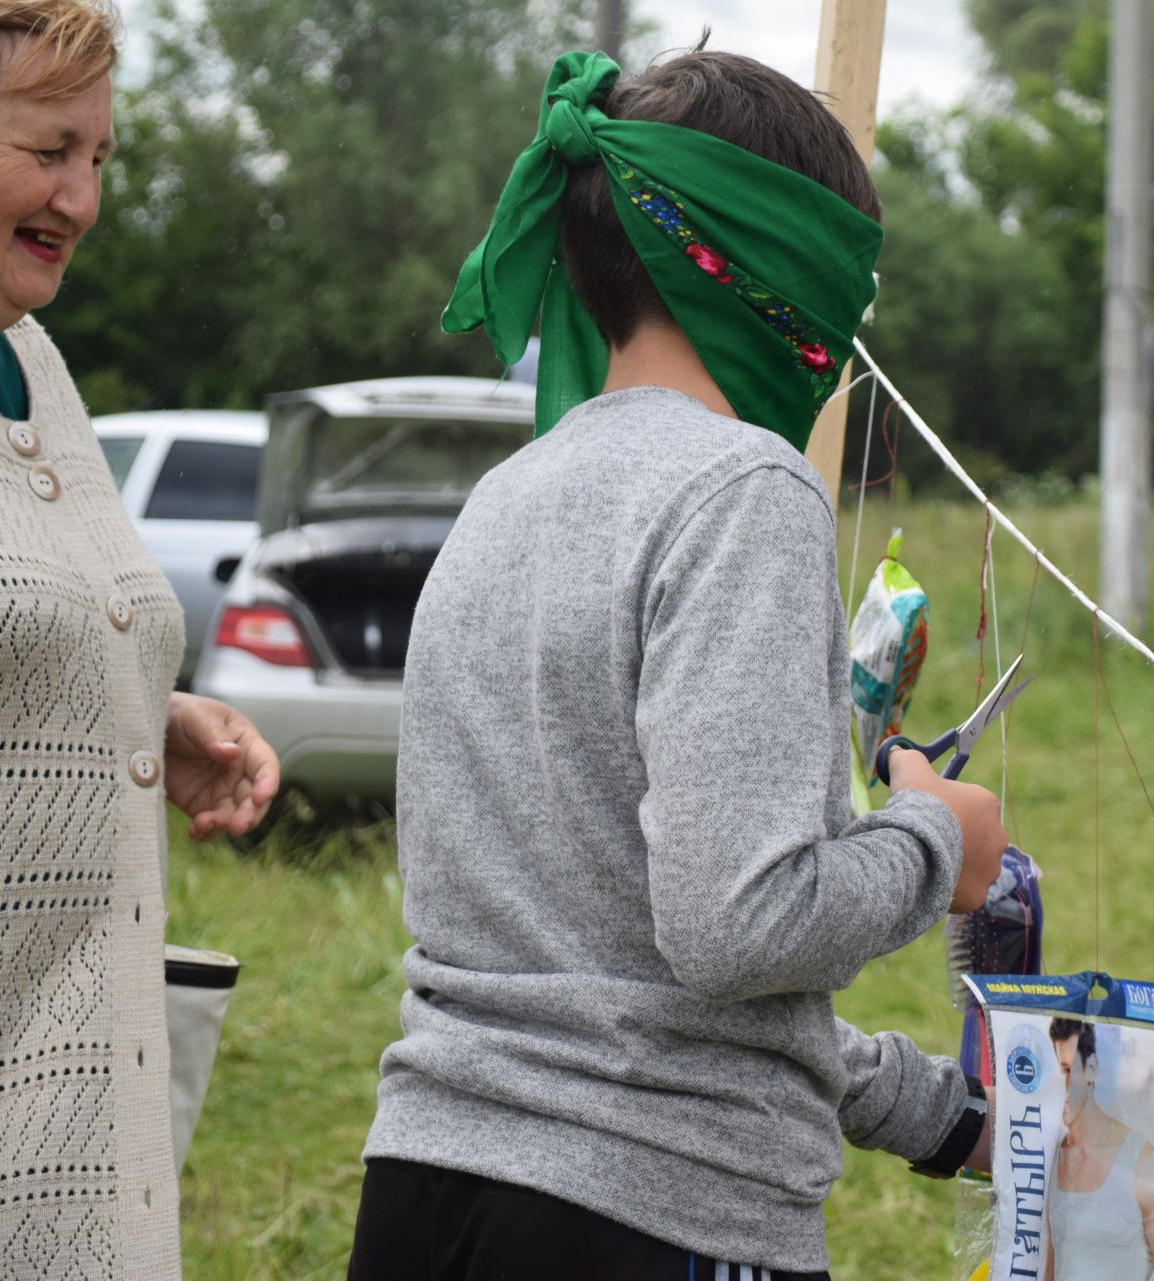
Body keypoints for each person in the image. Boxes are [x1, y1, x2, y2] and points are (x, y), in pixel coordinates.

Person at [347, 48, 1009, 1281]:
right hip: (647, 1219)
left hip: (425, 1195)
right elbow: (737, 932)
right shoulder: (745, 489)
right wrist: (933, 841)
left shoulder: (505, 496)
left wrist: (942, 1113)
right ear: (780, 266)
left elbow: (599, 954)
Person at [0, 4, 281, 1276]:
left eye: (99, 158)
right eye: (50, 149)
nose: (81, 199)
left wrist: (137, 708)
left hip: (85, 1150)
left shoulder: (36, 367)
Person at [1045, 1020, 1154, 1281]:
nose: (1058, 1086)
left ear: (1091, 1069)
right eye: (1053, 1074)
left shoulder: (1141, 1161)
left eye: (1067, 1070)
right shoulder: (1052, 1161)